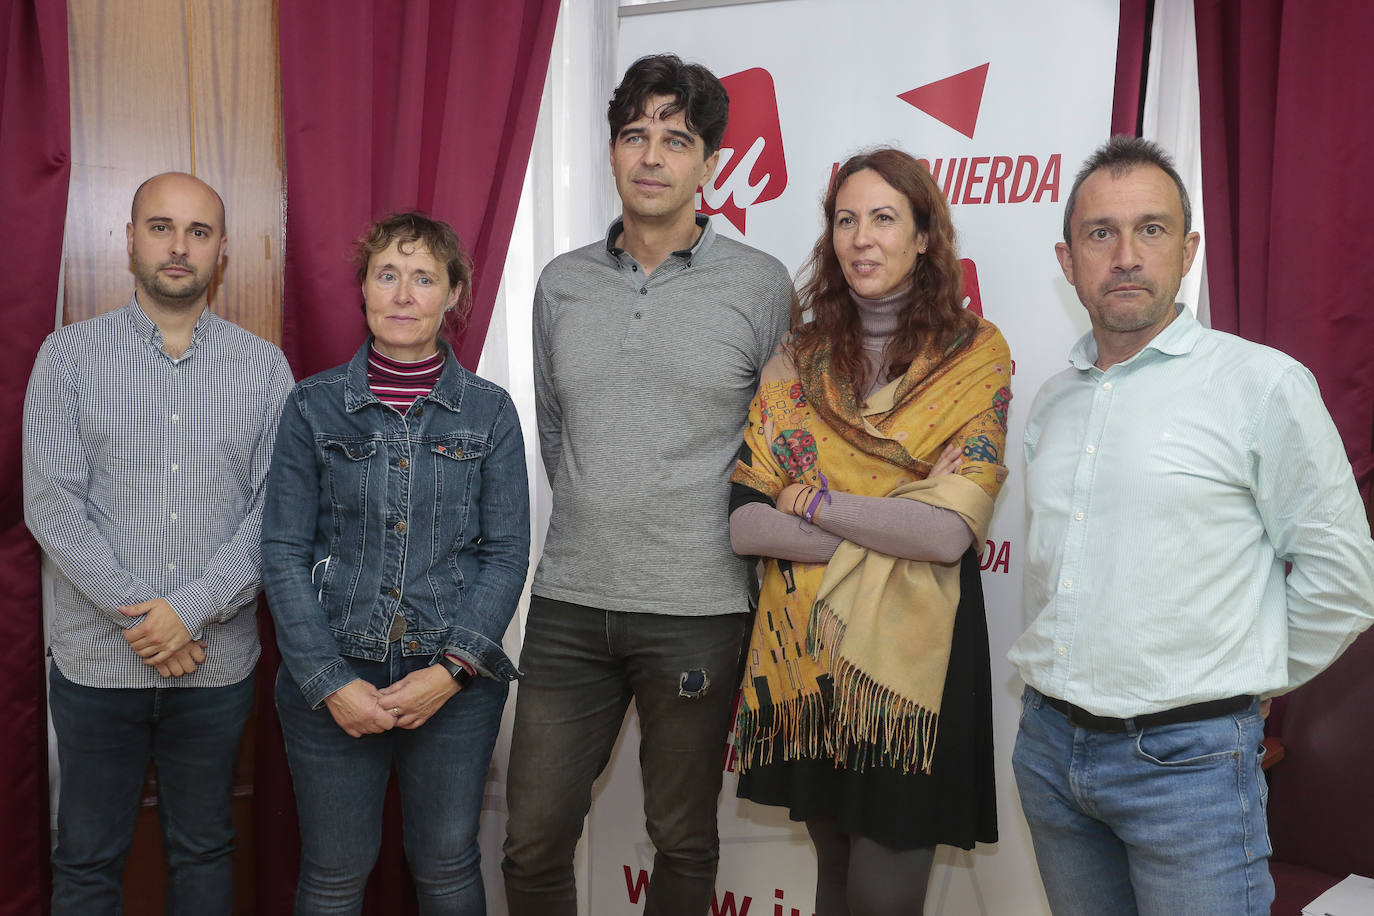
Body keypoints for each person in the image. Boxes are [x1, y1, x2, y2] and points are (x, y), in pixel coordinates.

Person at [1009, 135, 1374, 916]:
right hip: (1048, 754)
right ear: (1068, 260)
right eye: (1100, 233)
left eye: (1153, 229)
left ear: (1189, 250)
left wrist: (1242, 682)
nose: (1127, 255)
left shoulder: (1261, 384)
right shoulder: (1052, 402)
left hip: (1191, 769)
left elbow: (1343, 581)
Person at [501, 54, 794, 916]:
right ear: (612, 151)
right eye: (635, 135)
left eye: (677, 138)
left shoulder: (760, 284)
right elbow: (557, 430)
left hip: (699, 609)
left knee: (684, 838)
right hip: (568, 601)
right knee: (531, 839)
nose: (653, 156)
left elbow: (775, 443)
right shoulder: (562, 284)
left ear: (709, 162)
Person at [728, 147, 1011, 915]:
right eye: (845, 219)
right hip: (809, 656)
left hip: (912, 673)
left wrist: (812, 501)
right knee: (835, 876)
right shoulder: (798, 356)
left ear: (924, 236)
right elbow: (748, 522)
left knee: (883, 896)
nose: (862, 238)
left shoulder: (973, 355)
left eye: (884, 218)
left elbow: (948, 536)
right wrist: (896, 511)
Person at [23, 172, 293, 914]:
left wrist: (193, 610)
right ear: (131, 239)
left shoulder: (264, 369)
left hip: (214, 669)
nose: (179, 247)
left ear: (223, 251)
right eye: (161, 227)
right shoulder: (68, 357)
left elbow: (277, 514)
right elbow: (52, 508)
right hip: (95, 670)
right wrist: (148, 620)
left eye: (199, 231)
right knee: (85, 863)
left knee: (205, 852)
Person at [261, 212, 530, 914]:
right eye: (388, 275)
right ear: (364, 290)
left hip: (453, 687)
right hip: (334, 678)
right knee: (333, 873)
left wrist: (448, 674)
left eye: (423, 278)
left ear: (453, 296)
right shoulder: (313, 406)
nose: (404, 294)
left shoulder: (491, 413)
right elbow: (283, 552)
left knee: (445, 866)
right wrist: (329, 682)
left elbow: (506, 555)